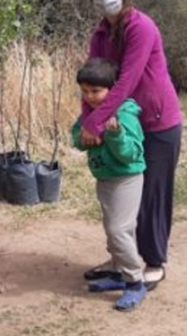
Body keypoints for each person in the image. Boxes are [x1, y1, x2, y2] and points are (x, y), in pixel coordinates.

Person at [79, 0, 184, 290]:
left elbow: (127, 80)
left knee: (151, 194)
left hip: (157, 123)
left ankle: (153, 262)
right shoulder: (99, 35)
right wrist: (88, 119)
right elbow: (91, 82)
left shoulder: (142, 27)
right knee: (120, 196)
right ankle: (122, 261)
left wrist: (95, 122)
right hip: (121, 124)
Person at [72, 58, 147, 311]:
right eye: (85, 91)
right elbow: (77, 138)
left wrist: (114, 135)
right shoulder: (89, 113)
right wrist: (85, 135)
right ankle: (118, 271)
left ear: (112, 90)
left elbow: (130, 155)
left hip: (126, 179)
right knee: (112, 228)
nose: (90, 97)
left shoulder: (124, 115)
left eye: (96, 91)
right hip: (105, 178)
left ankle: (135, 281)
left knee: (119, 230)